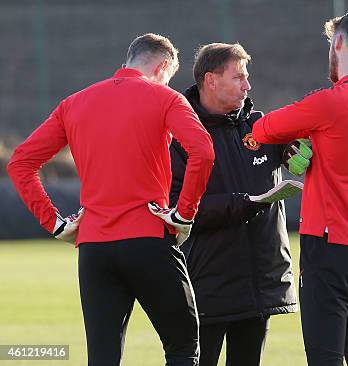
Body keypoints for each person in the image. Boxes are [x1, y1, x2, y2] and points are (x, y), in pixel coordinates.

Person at [7, 33, 215, 366]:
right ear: (163, 66)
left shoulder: (74, 103)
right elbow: (203, 152)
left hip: (95, 249)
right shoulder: (165, 98)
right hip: (149, 239)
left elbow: (20, 163)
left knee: (102, 357)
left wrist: (54, 222)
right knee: (183, 347)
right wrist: (184, 214)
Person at [252, 8, 348, 366]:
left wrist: (299, 140)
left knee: (324, 357)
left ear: (338, 42)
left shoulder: (328, 102)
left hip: (329, 244)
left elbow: (263, 129)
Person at [169, 43, 299, 366]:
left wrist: (293, 150)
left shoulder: (262, 127)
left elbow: (296, 148)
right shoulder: (180, 135)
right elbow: (176, 209)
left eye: (247, 77)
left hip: (259, 285)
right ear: (210, 81)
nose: (248, 85)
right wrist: (243, 204)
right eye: (239, 77)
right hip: (208, 287)